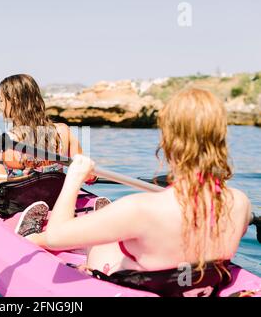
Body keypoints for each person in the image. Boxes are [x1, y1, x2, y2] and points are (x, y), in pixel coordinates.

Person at [42, 88, 252, 296]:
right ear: (220, 138)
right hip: (194, 284)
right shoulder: (241, 203)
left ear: (168, 141)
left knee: (101, 244)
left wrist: (74, 178)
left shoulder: (140, 209)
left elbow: (54, 236)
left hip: (132, 280)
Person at [0, 74, 105, 230]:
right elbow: (87, 176)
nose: (0, 106)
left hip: (17, 205)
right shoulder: (64, 131)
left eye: (1, 100)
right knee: (0, 171)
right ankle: (90, 212)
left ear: (14, 101)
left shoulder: (2, 142)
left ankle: (19, 221)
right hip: (54, 199)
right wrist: (92, 177)